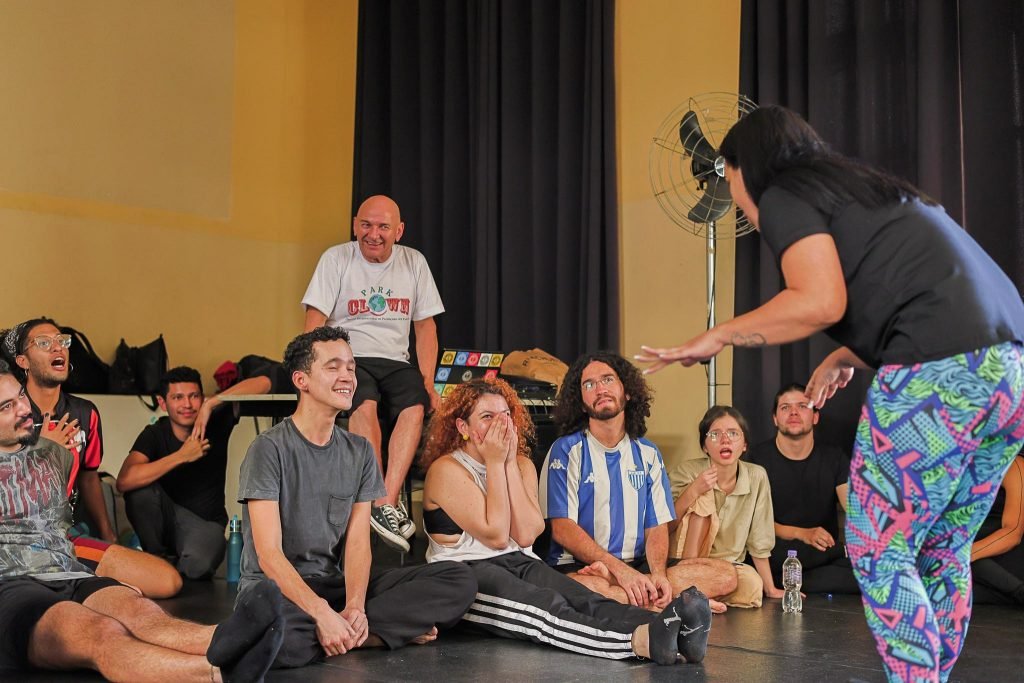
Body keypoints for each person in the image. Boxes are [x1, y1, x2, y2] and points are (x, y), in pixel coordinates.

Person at [637, 105, 1024, 682]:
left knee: (877, 546)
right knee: (941, 549)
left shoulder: (785, 196)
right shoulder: (882, 196)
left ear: (744, 167)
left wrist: (715, 336)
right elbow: (939, 300)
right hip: (1007, 373)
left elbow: (820, 301)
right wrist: (846, 354)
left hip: (937, 370)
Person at [0, 358, 284, 681]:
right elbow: (125, 480)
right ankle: (217, 675)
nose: (24, 409)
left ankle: (225, 639)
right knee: (102, 632)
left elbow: (55, 520)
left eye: (21, 396)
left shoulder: (53, 449)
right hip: (12, 585)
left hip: (67, 570)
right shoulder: (153, 434)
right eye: (6, 406)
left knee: (141, 611)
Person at [420, 377, 713, 664]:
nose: (501, 424)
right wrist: (496, 461)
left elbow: (525, 536)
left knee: (582, 597)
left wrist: (508, 462)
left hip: (518, 559)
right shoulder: (446, 470)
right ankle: (639, 641)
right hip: (465, 574)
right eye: (487, 417)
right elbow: (496, 535)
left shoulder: (520, 463)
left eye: (506, 415)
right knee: (545, 610)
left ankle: (672, 625)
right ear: (463, 427)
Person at [237, 326, 476, 669]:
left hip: (330, 586)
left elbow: (358, 545)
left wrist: (355, 607)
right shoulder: (269, 449)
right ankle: (373, 636)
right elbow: (269, 556)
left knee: (459, 579)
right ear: (301, 380)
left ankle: (346, 631)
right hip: (274, 591)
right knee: (272, 631)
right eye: (333, 367)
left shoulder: (359, 450)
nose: (347, 376)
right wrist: (320, 612)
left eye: (350, 367)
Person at [541, 351, 737, 613]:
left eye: (608, 380)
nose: (600, 389)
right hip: (582, 569)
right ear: (581, 401)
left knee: (726, 575)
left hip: (639, 565)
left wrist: (658, 574)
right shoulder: (566, 450)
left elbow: (656, 525)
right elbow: (562, 529)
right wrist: (617, 570)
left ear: (628, 391)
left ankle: (639, 596)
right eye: (589, 385)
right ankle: (674, 602)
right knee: (587, 589)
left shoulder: (647, 453)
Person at [302, 194, 444, 552]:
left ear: (399, 230)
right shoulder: (336, 258)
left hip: (396, 360)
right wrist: (312, 372)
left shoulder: (414, 262)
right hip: (349, 355)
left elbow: (426, 329)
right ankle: (380, 500)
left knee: (414, 406)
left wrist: (428, 382)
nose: (374, 234)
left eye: (383, 226)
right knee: (363, 405)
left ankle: (385, 503)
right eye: (366, 225)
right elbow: (315, 321)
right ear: (354, 225)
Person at [2, 320, 181, 599]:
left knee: (167, 581)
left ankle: (72, 582)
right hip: (13, 538)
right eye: (44, 343)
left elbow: (88, 477)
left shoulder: (85, 413)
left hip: (61, 535)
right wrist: (46, 447)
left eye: (61, 341)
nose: (57, 347)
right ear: (23, 361)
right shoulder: (9, 414)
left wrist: (108, 536)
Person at [116, 367, 235, 579]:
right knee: (139, 493)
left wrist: (211, 404)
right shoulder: (154, 433)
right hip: (167, 518)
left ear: (202, 398)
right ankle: (156, 559)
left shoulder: (216, 422)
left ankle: (174, 564)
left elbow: (264, 382)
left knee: (197, 568)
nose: (187, 405)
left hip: (205, 523)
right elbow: (124, 481)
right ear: (163, 403)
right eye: (177, 397)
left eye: (194, 396)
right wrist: (181, 456)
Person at [747, 383, 859, 594]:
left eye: (803, 406)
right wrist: (802, 533)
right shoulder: (756, 459)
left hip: (822, 552)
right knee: (765, 559)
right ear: (774, 418)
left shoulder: (834, 457)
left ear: (815, 416)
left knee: (866, 569)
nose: (794, 412)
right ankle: (794, 577)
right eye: (785, 407)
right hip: (775, 551)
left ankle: (789, 581)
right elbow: (754, 526)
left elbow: (855, 510)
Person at [669, 406, 783, 604]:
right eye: (715, 434)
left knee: (753, 586)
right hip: (683, 562)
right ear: (704, 446)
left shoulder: (757, 476)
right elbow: (665, 526)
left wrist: (770, 588)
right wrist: (693, 490)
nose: (725, 440)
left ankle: (695, 595)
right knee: (704, 499)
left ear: (745, 444)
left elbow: (759, 537)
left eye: (733, 433)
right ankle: (690, 590)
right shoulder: (687, 471)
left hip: (726, 567)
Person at [971, 453, 1024, 605]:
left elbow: (1012, 534)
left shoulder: (1013, 465)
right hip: (978, 566)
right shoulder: (951, 466)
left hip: (1002, 552)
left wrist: (962, 556)